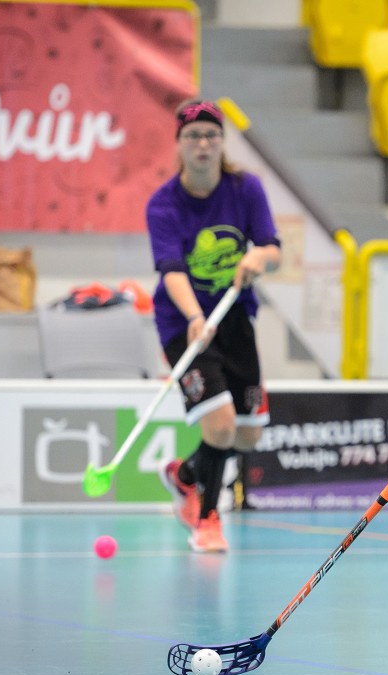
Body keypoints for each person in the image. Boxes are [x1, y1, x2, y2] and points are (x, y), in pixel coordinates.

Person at [147, 99, 282, 553]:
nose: (202, 144)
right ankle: (207, 519)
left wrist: (258, 258)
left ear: (221, 143)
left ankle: (184, 474)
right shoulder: (163, 203)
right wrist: (193, 317)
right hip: (182, 323)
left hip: (234, 317)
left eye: (211, 136)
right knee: (221, 426)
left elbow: (273, 250)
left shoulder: (246, 189)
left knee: (247, 433)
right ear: (179, 144)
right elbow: (171, 270)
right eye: (193, 136)